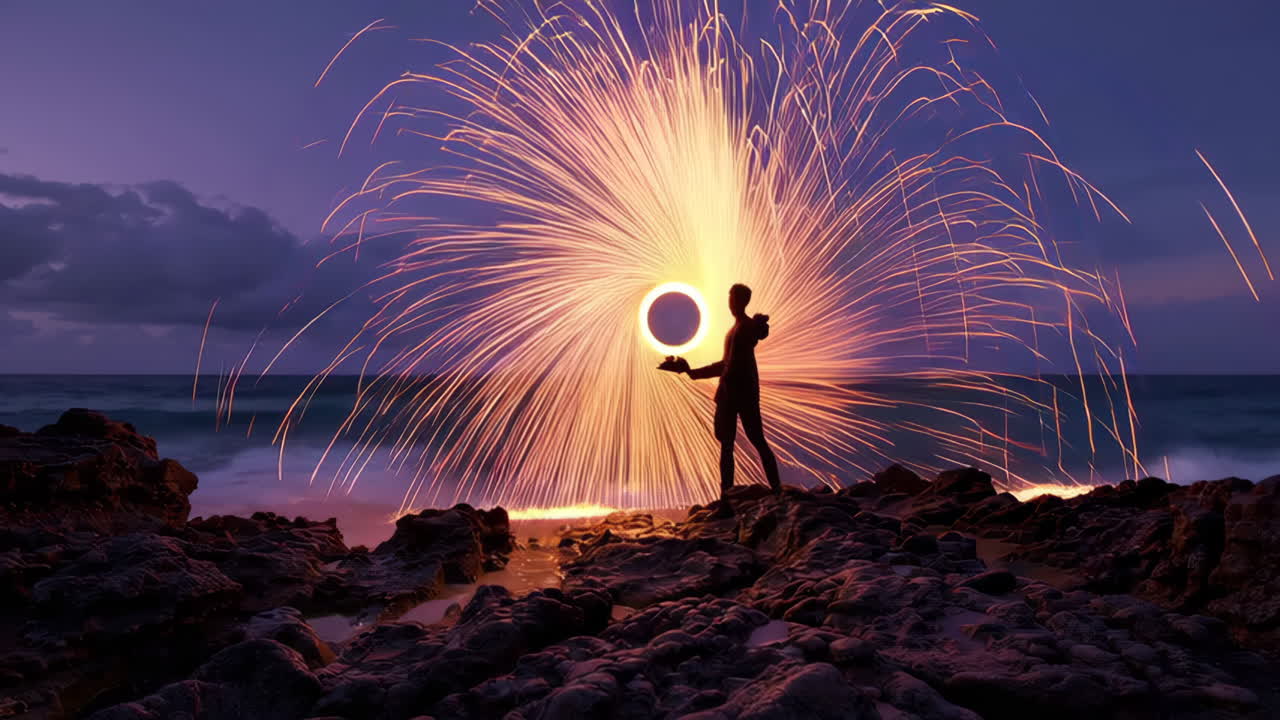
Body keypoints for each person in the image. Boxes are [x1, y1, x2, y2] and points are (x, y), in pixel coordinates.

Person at [658, 283, 782, 498]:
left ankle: (768, 490)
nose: (731, 302)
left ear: (743, 301)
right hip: (733, 392)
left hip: (740, 393)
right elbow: (727, 363)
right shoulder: (736, 329)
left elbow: (732, 361)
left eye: (734, 298)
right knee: (731, 443)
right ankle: (731, 492)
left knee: (752, 440)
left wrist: (691, 372)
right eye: (730, 297)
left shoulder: (744, 328)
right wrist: (690, 371)